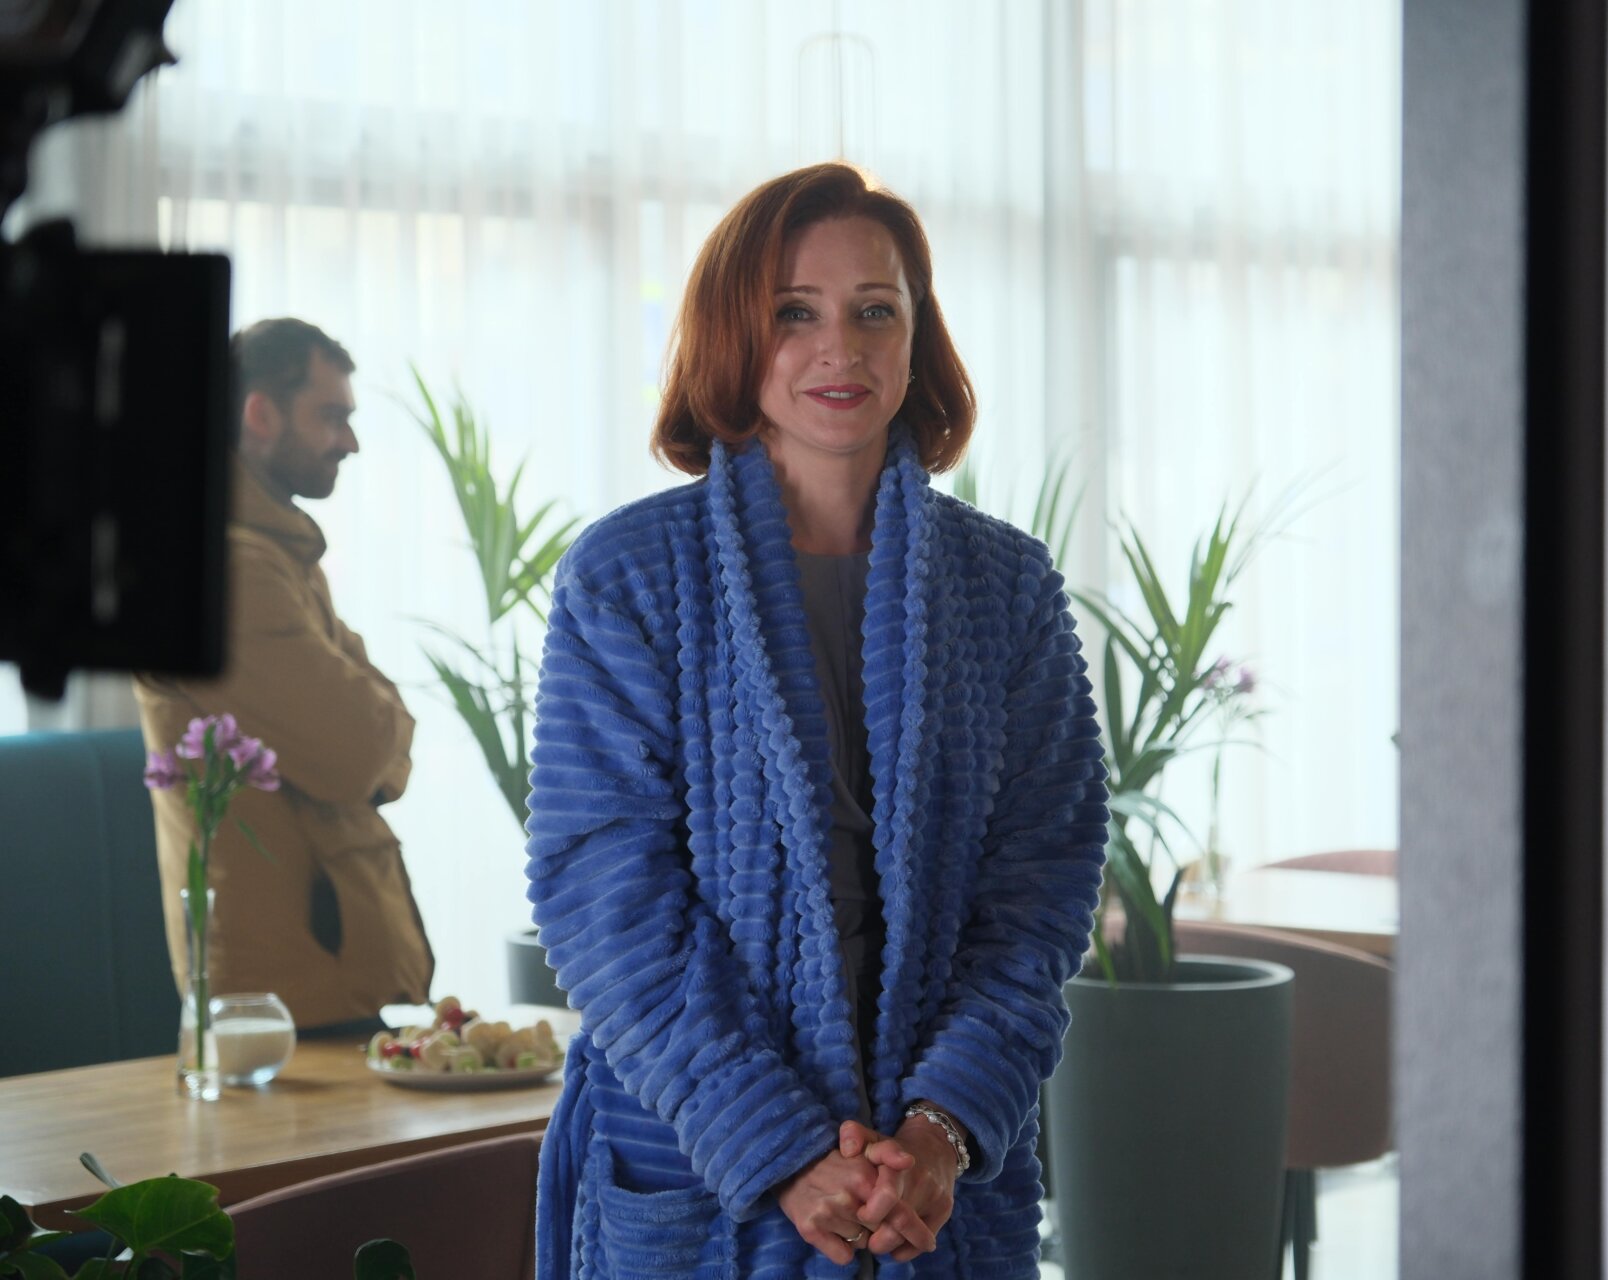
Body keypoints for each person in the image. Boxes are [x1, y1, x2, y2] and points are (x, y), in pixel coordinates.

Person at [528, 163, 1109, 1278]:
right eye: (794, 312)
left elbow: (1043, 884)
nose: (839, 348)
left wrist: (942, 1127)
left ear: (916, 339)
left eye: (874, 310)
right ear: (733, 336)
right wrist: (779, 1144)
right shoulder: (629, 573)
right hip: (700, 1158)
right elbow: (603, 892)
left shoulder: (1008, 585)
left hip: (930, 1183)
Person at [136, 318, 433, 1033]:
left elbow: (381, 723)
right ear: (260, 414)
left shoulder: (275, 557)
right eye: (330, 416)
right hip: (282, 997)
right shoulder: (228, 573)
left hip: (317, 977)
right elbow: (359, 750)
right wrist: (383, 735)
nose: (350, 442)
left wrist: (382, 729)